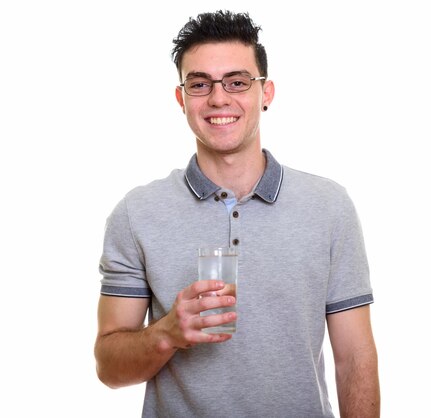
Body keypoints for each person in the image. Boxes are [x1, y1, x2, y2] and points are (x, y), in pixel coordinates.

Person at [94, 10, 379, 418]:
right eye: (199, 84)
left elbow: (354, 357)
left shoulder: (329, 207)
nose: (218, 98)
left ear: (266, 93)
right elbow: (108, 367)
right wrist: (166, 334)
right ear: (182, 99)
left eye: (237, 82)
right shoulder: (135, 214)